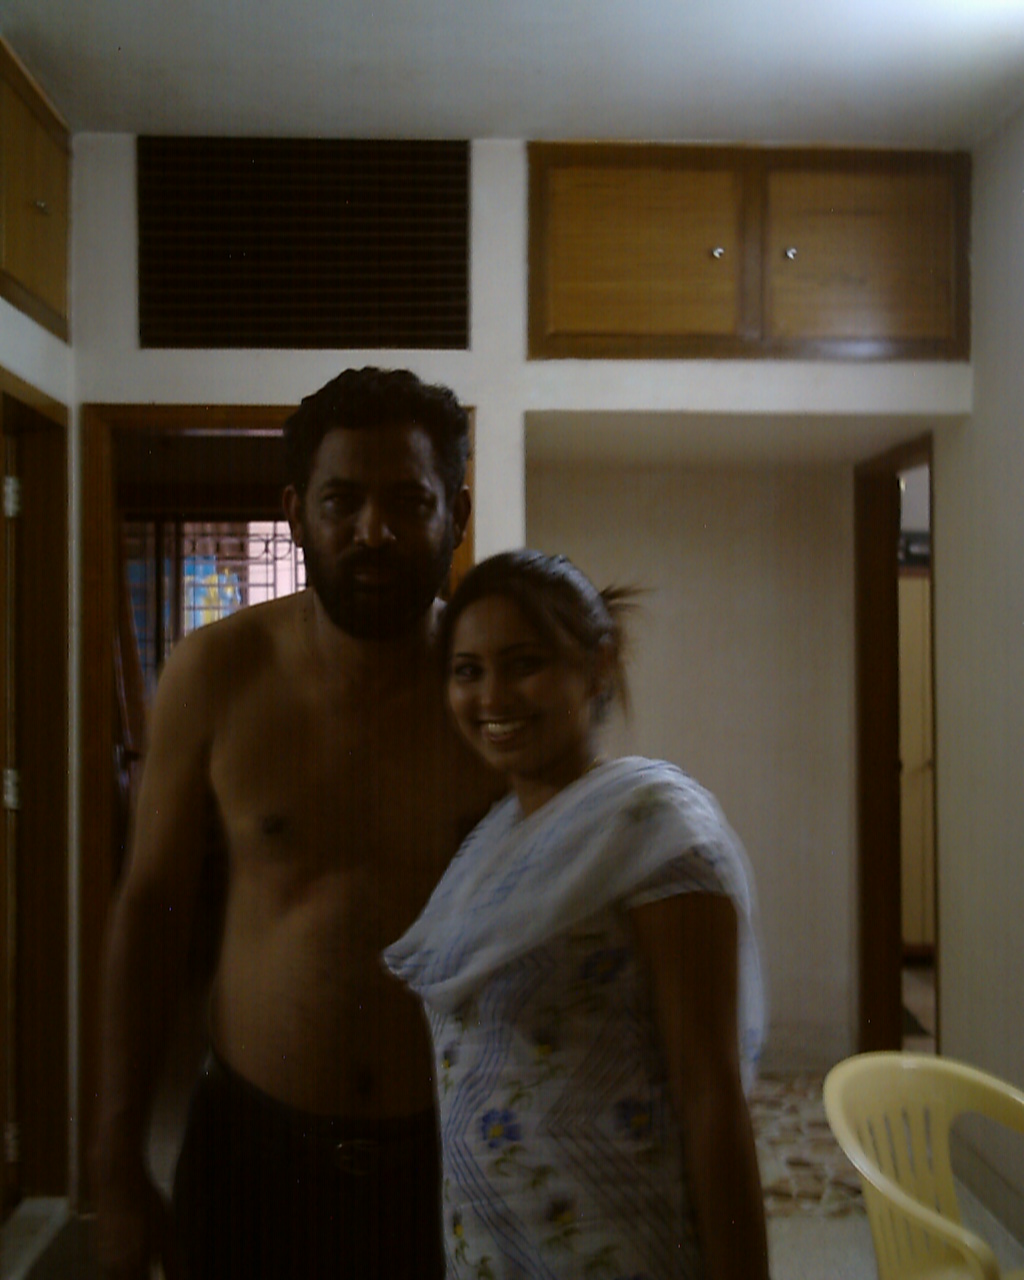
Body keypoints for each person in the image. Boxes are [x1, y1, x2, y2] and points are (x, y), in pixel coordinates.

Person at [91, 367, 500, 1280]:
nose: (373, 531)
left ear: (457, 514)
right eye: (341, 500)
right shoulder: (217, 672)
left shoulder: (494, 698)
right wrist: (115, 1162)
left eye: (409, 501)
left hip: (453, 1158)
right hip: (252, 1160)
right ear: (295, 512)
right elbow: (149, 913)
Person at [384, 550, 769, 1280]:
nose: (492, 696)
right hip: (491, 1252)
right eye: (467, 671)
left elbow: (710, 1094)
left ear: (598, 665)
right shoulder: (497, 841)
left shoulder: (653, 828)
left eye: (524, 664)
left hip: (619, 1248)